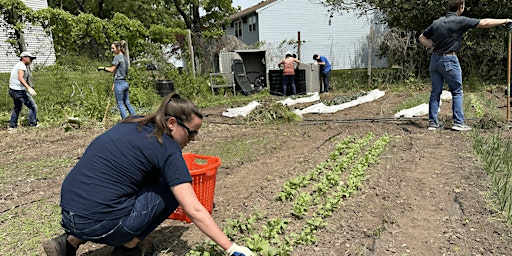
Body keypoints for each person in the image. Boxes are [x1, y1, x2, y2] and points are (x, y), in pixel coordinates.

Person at [42, 92, 255, 256]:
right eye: (192, 132)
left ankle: (68, 242)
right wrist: (231, 247)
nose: (194, 139)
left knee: (117, 189)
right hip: (99, 223)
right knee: (173, 189)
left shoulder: (133, 121)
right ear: (172, 123)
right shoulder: (167, 148)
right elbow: (194, 210)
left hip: (69, 212)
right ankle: (128, 246)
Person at [418, 0, 512, 131]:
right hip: (450, 60)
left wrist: (432, 46)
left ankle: (433, 123)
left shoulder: (437, 22)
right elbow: (483, 22)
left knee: (435, 92)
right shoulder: (459, 21)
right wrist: (506, 20)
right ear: (460, 7)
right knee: (457, 91)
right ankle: (458, 122)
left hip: (435, 60)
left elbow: (422, 37)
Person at [98, 40, 136, 119]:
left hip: (119, 84)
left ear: (118, 48)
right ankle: (136, 118)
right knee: (127, 103)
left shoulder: (117, 57)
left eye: (113, 48)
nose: (112, 50)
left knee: (120, 103)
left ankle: (125, 122)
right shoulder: (125, 58)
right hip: (125, 83)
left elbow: (112, 70)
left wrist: (102, 68)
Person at [8, 51, 38, 130]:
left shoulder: (18, 65)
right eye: (30, 58)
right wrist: (28, 88)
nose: (31, 60)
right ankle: (33, 124)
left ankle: (12, 125)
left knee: (17, 107)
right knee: (33, 106)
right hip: (19, 90)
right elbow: (20, 77)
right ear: (24, 58)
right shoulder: (22, 66)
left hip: (13, 90)